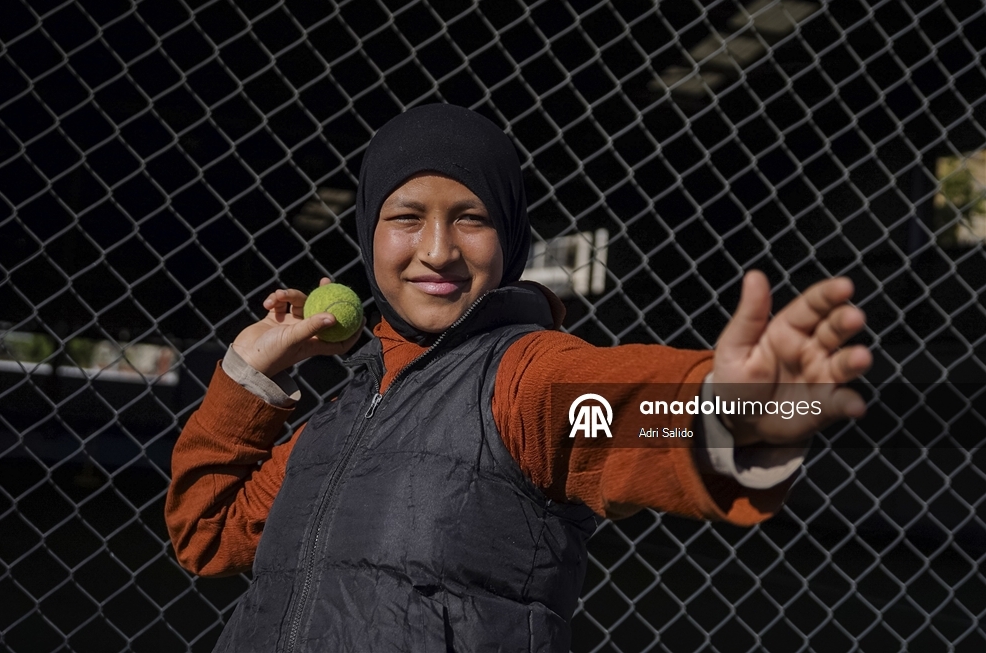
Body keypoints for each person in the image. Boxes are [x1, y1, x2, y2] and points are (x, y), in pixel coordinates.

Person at [165, 104, 871, 651]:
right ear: (368, 236)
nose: (437, 250)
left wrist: (726, 415)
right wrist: (247, 378)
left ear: (510, 239)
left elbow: (627, 414)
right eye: (406, 217)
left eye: (470, 218)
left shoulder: (523, 381)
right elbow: (206, 531)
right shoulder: (340, 416)